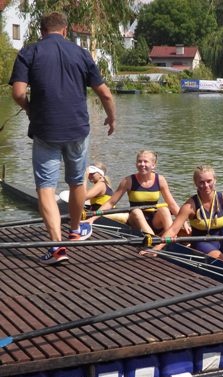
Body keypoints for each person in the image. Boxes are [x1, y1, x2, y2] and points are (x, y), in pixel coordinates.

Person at [9, 12, 116, 265]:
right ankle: (75, 230)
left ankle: (57, 247)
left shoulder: (29, 52)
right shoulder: (81, 54)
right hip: (77, 129)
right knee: (77, 182)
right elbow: (105, 94)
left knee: (46, 187)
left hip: (45, 129)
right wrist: (111, 118)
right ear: (66, 31)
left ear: (42, 31)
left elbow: (18, 93)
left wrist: (30, 109)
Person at [150, 165, 223, 269]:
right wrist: (156, 248)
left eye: (209, 181)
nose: (206, 185)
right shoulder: (190, 206)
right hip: (201, 243)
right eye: (201, 182)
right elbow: (173, 230)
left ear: (215, 180)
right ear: (196, 184)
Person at [98, 150, 184, 235]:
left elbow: (172, 204)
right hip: (135, 219)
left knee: (164, 209)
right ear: (136, 164)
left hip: (154, 220)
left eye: (145, 161)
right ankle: (153, 239)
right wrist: (94, 216)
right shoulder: (128, 181)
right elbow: (111, 202)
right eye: (139, 161)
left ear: (153, 165)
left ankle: (171, 237)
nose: (142, 164)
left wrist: (183, 222)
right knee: (137, 211)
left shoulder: (160, 180)